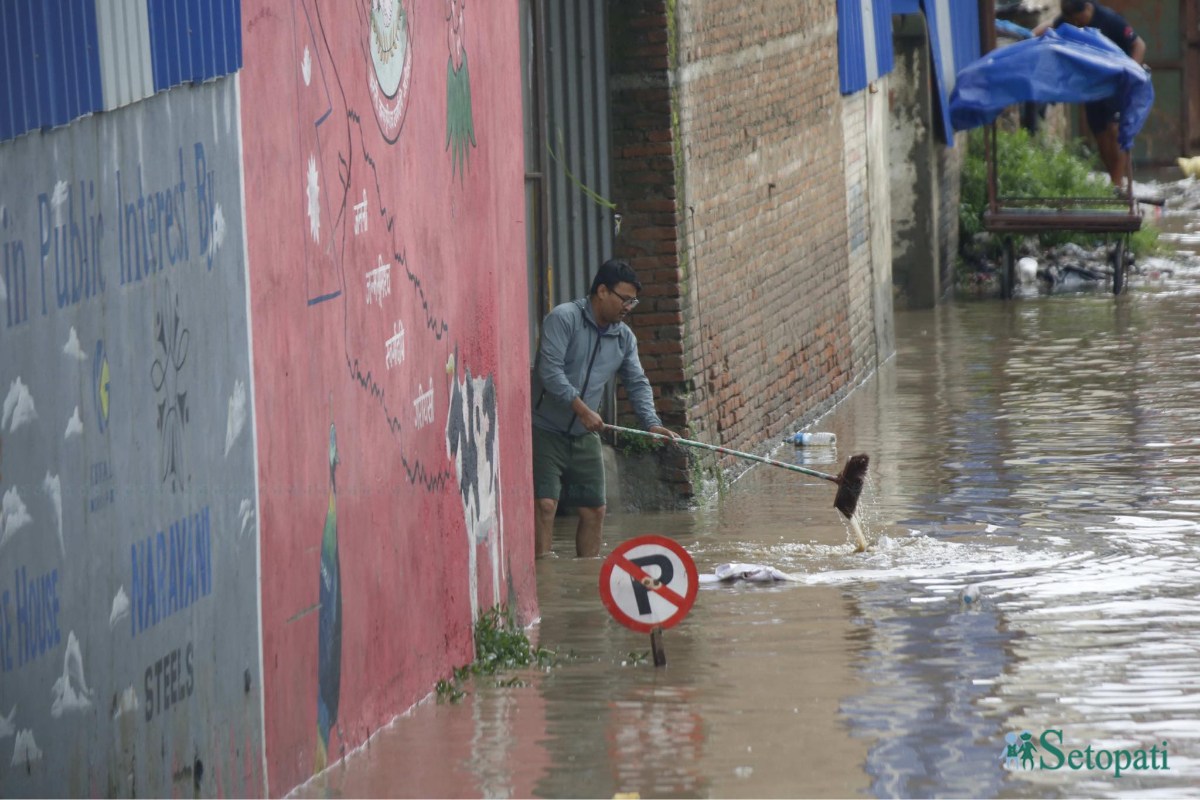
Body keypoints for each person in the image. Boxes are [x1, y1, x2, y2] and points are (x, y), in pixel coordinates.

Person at [531, 259, 678, 557]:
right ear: (601, 291)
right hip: (544, 429)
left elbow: (637, 382)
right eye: (625, 299)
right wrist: (582, 410)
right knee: (545, 505)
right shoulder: (564, 319)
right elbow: (549, 372)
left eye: (633, 302)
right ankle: (543, 578)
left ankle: (588, 578)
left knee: (594, 509)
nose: (628, 308)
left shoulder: (623, 338)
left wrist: (650, 423)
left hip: (583, 436)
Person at [1033, 1, 1147, 187]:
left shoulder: (1109, 20)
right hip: (1092, 85)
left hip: (1116, 83)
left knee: (1115, 131)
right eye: (1073, 21)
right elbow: (1051, 25)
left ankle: (1118, 184)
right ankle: (1115, 181)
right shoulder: (1071, 16)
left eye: (1079, 19)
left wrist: (1131, 73)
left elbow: (1139, 45)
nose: (1078, 25)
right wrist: (1030, 36)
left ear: (1087, 8)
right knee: (1100, 133)